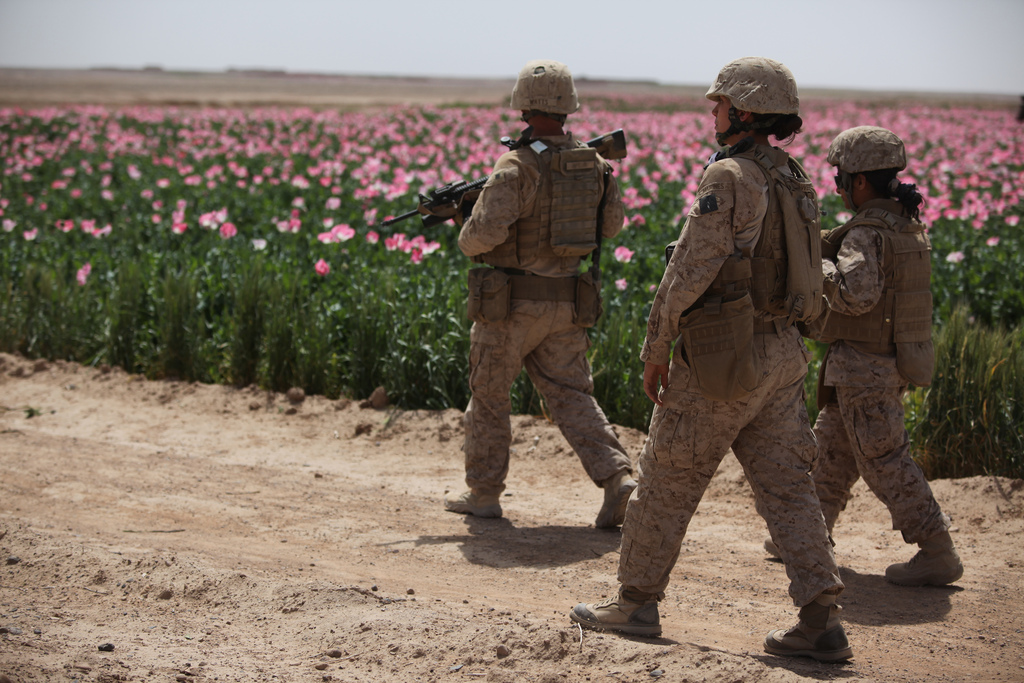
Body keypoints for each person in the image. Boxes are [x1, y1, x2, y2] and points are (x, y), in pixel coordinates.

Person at [570, 57, 852, 662]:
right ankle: (821, 617)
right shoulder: (794, 178)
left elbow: (689, 270)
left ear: (745, 111)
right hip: (784, 352)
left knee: (668, 478)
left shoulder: (729, 177)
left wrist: (656, 345)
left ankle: (635, 601)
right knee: (789, 490)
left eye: (719, 104)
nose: (712, 112)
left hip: (725, 354)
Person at [764, 126, 963, 587]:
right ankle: (807, 535)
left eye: (840, 177)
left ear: (858, 181)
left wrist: (819, 264)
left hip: (866, 368)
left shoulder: (867, 234)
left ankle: (936, 547)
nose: (837, 186)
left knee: (884, 458)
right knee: (831, 451)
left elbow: (857, 296)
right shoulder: (907, 225)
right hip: (876, 363)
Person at [444, 59, 636, 529]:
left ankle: (484, 493)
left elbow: (479, 239)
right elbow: (612, 226)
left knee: (489, 396)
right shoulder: (595, 164)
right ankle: (617, 477)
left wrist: (461, 219)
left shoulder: (516, 165)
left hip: (510, 305)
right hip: (568, 302)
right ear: (567, 106)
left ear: (525, 105)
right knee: (571, 395)